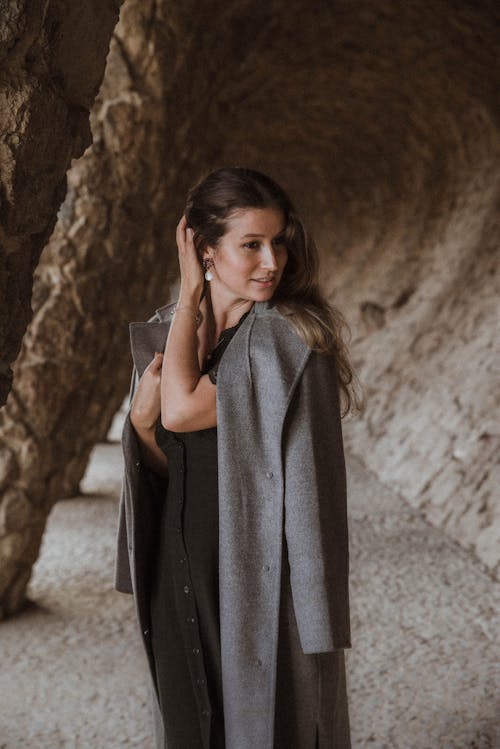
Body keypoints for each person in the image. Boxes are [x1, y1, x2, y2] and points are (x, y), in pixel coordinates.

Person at [114, 166, 361, 749]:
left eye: (278, 242)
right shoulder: (165, 335)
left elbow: (182, 410)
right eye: (251, 244)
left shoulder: (288, 338)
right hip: (176, 569)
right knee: (188, 730)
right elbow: (163, 457)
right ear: (206, 248)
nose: (271, 261)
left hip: (254, 575)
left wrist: (189, 293)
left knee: (266, 730)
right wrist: (142, 426)